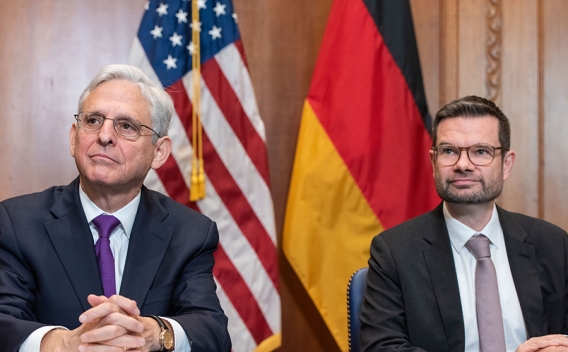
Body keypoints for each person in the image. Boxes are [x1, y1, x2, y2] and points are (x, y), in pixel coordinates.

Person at [0, 64, 231, 352]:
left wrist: (155, 332)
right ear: (74, 138)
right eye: (94, 120)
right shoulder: (16, 223)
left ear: (159, 152)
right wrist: (61, 344)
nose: (105, 136)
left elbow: (212, 330)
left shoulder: (190, 233)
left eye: (126, 126)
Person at [360, 96, 568, 352]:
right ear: (433, 162)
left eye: (481, 152)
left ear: (506, 164)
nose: (463, 165)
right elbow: (382, 348)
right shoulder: (394, 252)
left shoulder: (553, 243)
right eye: (449, 151)